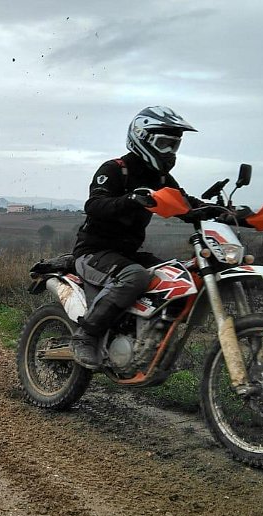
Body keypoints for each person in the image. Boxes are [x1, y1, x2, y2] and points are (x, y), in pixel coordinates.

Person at [70, 106, 201, 369]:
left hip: (128, 254)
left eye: (174, 145)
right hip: (93, 252)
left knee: (177, 276)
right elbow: (94, 205)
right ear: (142, 138)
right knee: (136, 276)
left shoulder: (161, 178)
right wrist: (131, 199)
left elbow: (185, 205)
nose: (169, 152)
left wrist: (227, 213)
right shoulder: (116, 169)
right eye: (164, 144)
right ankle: (86, 335)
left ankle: (146, 341)